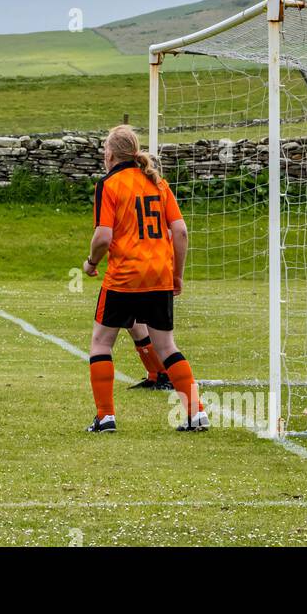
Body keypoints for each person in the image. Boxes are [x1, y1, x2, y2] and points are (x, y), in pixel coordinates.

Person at [82, 125, 207, 432]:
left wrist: (91, 262)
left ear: (110, 154)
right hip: (159, 275)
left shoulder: (109, 184)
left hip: (125, 276)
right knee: (166, 345)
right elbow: (181, 232)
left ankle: (105, 416)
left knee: (101, 342)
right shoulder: (157, 182)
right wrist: (176, 274)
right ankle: (195, 412)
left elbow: (103, 236)